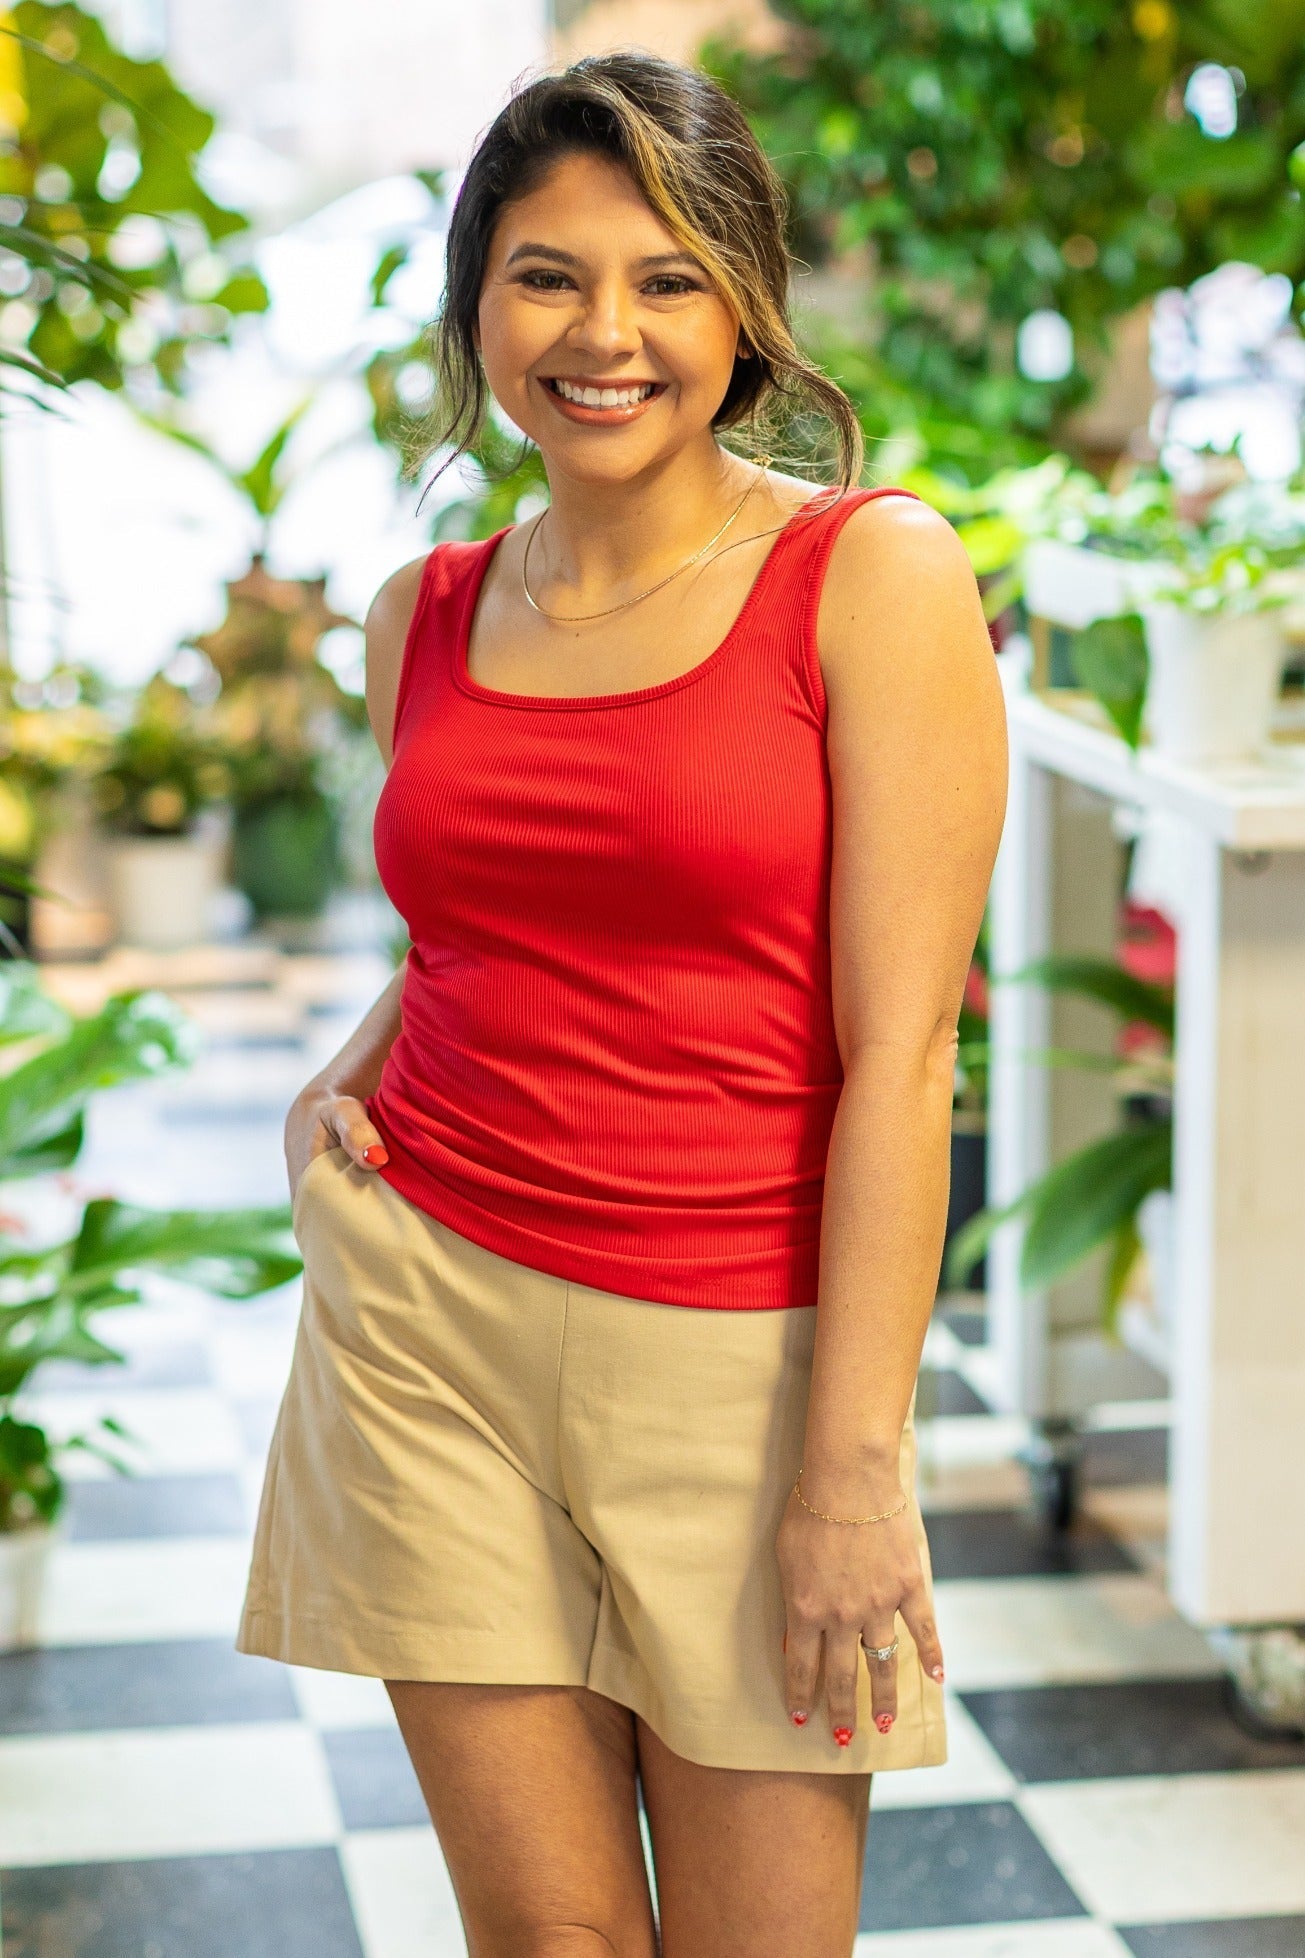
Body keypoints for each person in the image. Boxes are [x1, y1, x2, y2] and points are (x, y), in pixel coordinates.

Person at [238, 50, 1007, 1958]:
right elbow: (479, 922)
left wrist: (853, 1470)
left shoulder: (868, 577)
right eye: (546, 276)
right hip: (428, 1319)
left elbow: (903, 1052)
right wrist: (341, 1072)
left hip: (741, 1360)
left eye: (666, 280)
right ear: (474, 306)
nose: (604, 334)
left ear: (743, 311)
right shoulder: (422, 609)